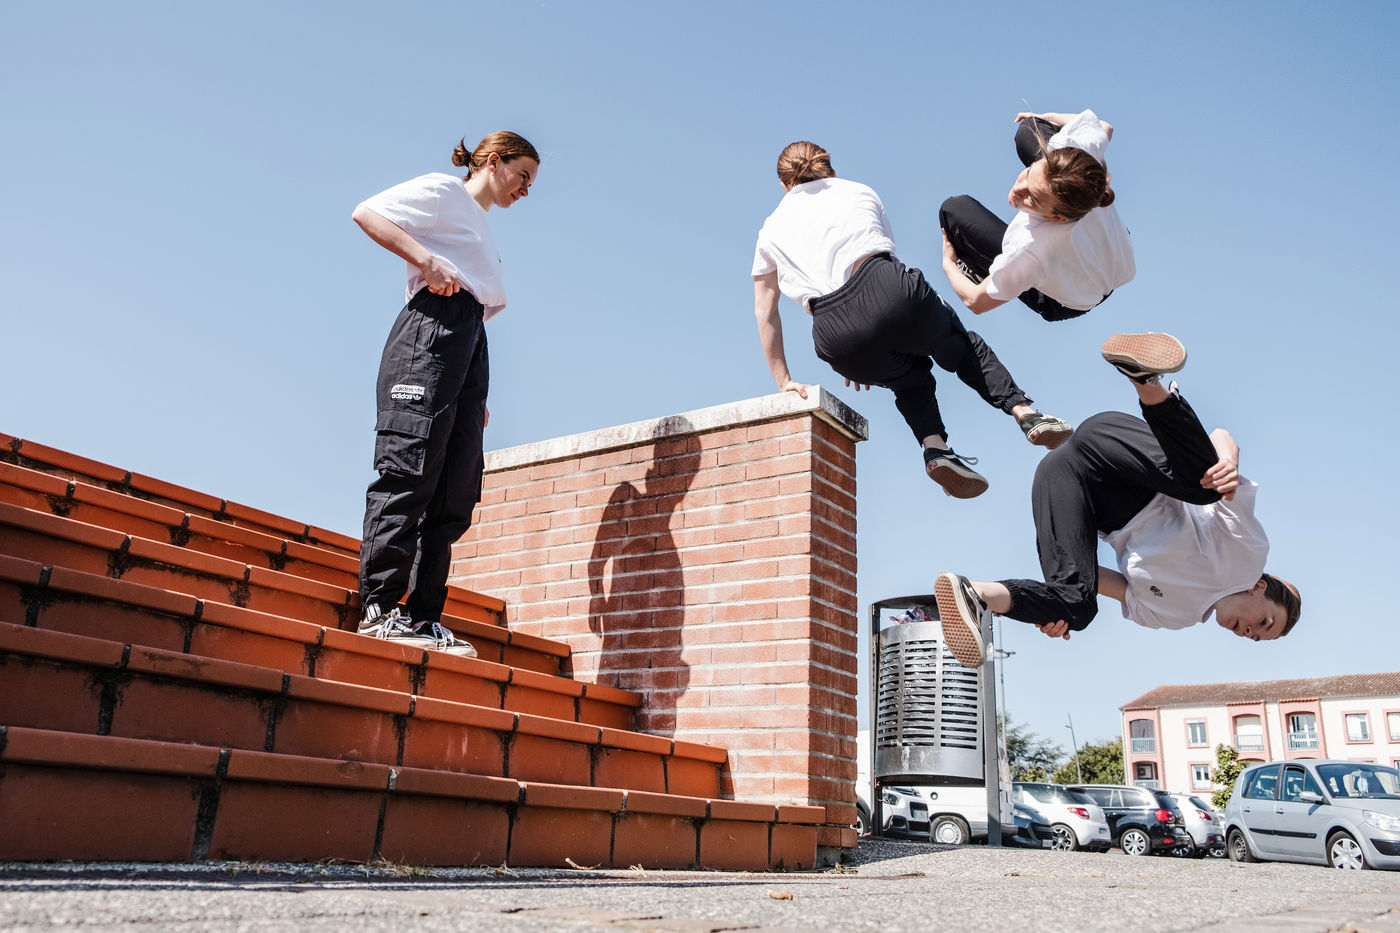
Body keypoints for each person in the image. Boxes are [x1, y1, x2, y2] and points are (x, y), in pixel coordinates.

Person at [932, 332, 1301, 668]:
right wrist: (1230, 460)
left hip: (1069, 487)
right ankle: (1146, 379)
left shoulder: (1174, 616)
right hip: (1122, 458)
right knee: (1210, 486)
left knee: (1077, 608)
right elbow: (1220, 438)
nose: (1248, 632)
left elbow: (1097, 579)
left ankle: (977, 594)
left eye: (1255, 638)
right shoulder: (1247, 559)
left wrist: (1051, 603)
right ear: (1259, 587)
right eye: (1264, 622)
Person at [751, 140, 1072, 499]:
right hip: (886, 288)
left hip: (834, 335)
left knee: (909, 381)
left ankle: (935, 448)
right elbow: (885, 254)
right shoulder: (857, 191)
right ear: (830, 170)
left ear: (784, 185)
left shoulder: (770, 230)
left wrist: (787, 380)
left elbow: (765, 310)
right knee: (963, 350)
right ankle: (1026, 414)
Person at [351, 131, 540, 656]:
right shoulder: (444, 191)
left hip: (467, 343)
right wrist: (426, 260)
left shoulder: (479, 223)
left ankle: (422, 616)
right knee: (409, 471)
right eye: (523, 175)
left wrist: (472, 390)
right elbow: (368, 213)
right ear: (494, 162)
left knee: (455, 488)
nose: (526, 189)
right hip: (430, 333)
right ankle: (378, 608)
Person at [939, 109, 1134, 322]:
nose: (1016, 190)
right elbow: (1104, 127)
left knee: (952, 211)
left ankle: (987, 274)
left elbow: (975, 301)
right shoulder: (1080, 156)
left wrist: (948, 263)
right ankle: (1040, 186)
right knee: (1029, 129)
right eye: (1029, 172)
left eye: (1031, 197)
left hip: (1070, 301)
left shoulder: (1028, 247)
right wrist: (1047, 117)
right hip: (1116, 259)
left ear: (1057, 218)